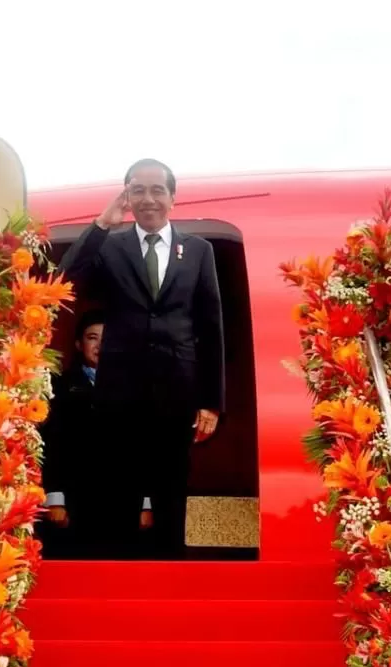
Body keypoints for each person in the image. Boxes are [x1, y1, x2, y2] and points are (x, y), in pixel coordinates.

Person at [58, 158, 225, 559]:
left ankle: (170, 576)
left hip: (177, 393)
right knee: (118, 495)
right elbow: (65, 276)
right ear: (127, 197)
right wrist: (102, 224)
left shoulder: (198, 250)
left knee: (171, 494)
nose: (148, 199)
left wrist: (211, 401)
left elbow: (211, 325)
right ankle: (119, 576)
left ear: (172, 197)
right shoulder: (111, 245)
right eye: (138, 190)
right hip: (119, 394)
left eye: (156, 190)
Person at [40, 311, 153, 558]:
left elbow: (145, 448)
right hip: (75, 502)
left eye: (108, 339)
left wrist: (146, 503)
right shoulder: (59, 386)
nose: (100, 345)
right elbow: (52, 444)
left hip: (124, 503)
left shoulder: (135, 388)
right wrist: (55, 499)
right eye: (93, 338)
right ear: (79, 344)